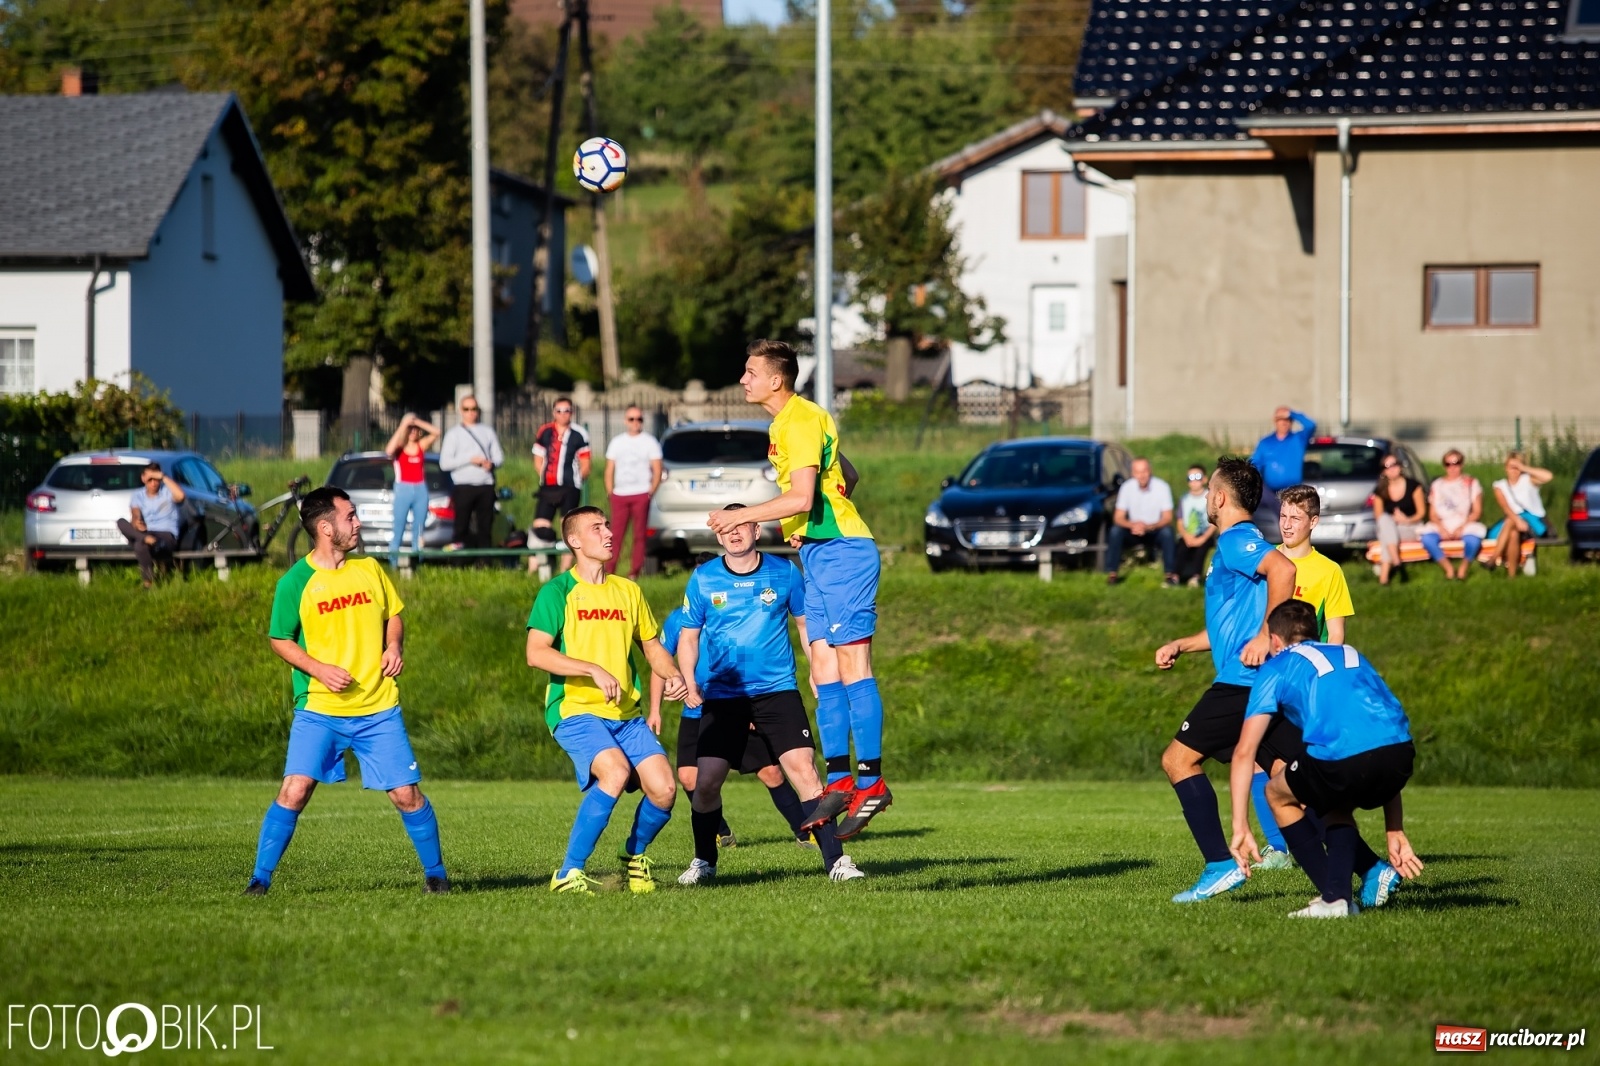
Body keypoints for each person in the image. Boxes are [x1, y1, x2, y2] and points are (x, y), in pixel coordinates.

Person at [708, 340, 889, 841]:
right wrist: (802, 521)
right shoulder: (783, 424)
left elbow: (806, 492)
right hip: (819, 550)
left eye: (749, 372)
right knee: (825, 667)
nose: (743, 380)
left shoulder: (801, 418)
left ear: (775, 380)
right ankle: (840, 779)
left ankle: (872, 781)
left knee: (854, 664)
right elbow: (844, 474)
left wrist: (744, 513)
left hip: (844, 552)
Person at [245, 487, 448, 896]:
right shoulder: (295, 582)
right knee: (295, 790)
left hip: (378, 708)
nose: (357, 523)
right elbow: (280, 639)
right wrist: (318, 669)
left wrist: (394, 646)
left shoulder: (370, 569)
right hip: (319, 709)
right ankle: (259, 881)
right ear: (325, 527)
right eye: (350, 516)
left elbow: (394, 616)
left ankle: (438, 877)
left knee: (407, 795)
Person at [676, 504, 862, 885]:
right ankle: (703, 861)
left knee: (805, 772)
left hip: (777, 692)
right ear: (718, 535)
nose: (734, 532)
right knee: (706, 781)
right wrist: (688, 679)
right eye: (726, 527)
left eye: (742, 524)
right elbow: (689, 636)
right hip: (724, 695)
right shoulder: (703, 578)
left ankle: (837, 863)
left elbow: (807, 623)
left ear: (757, 530)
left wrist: (818, 671)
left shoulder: (784, 573)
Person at [1153, 456, 1296, 904]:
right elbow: (1226, 628)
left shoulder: (1236, 540)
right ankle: (1369, 869)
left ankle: (1219, 865)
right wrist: (1183, 643)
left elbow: (1285, 571)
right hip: (1256, 679)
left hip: (1242, 682)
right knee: (1292, 778)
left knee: (1177, 761)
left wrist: (1264, 633)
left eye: (1209, 491)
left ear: (1217, 497)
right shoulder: (1235, 546)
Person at [526, 506, 687, 894]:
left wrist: (674, 674)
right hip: (575, 709)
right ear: (575, 541)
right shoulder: (557, 591)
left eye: (608, 526)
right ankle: (568, 873)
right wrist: (591, 669)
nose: (609, 533)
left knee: (665, 789)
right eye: (597, 528)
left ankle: (633, 855)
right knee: (614, 772)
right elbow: (536, 653)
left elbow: (652, 647)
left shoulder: (628, 590)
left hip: (626, 714)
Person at [1229, 600, 1424, 918]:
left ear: (1274, 641)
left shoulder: (1276, 665)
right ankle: (1344, 893)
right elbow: (1380, 733)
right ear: (1314, 632)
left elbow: (1244, 751)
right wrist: (1394, 828)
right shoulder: (1351, 653)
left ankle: (1335, 900)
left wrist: (1240, 825)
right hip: (1401, 754)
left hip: (1342, 759)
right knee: (1332, 803)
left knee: (1276, 794)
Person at [1247, 483, 1355, 870]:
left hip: (1307, 681)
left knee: (1301, 770)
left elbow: (1337, 633)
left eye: (1296, 517)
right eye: (1283, 516)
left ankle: (1330, 843)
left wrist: (1331, 680)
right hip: (1268, 675)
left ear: (1314, 521)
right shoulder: (1266, 560)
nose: (1287, 524)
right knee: (1260, 761)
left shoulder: (1329, 571)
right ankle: (1279, 849)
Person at [652, 597, 812, 851]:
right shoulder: (679, 619)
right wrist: (654, 710)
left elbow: (745, 658)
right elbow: (658, 660)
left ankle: (805, 831)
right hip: (695, 712)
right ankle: (720, 833)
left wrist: (749, 707)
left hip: (733, 705)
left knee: (770, 772)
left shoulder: (732, 613)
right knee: (689, 777)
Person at [529, 397, 592, 574]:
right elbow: (538, 457)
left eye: (567, 411)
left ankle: (565, 569)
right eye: (559, 411)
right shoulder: (545, 431)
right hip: (548, 486)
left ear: (572, 413)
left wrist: (578, 478)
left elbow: (585, 462)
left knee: (568, 527)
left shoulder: (579, 434)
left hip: (570, 487)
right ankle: (536, 568)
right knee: (540, 526)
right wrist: (543, 473)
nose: (563, 414)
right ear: (553, 412)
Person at [604, 405, 663, 580]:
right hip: (620, 494)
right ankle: (609, 570)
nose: (635, 422)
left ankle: (634, 572)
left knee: (639, 534)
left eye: (639, 419)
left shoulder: (650, 441)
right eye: (632, 419)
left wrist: (650, 492)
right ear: (625, 421)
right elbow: (609, 469)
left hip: (641, 493)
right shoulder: (617, 442)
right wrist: (610, 492)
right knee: (615, 534)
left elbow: (657, 470)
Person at [438, 396, 504, 550]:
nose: (471, 412)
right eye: (467, 409)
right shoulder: (453, 434)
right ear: (461, 411)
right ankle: (459, 562)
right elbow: (445, 463)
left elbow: (499, 457)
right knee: (461, 526)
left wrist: (491, 463)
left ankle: (484, 561)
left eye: (474, 409)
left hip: (485, 484)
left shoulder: (487, 431)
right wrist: (469, 460)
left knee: (485, 526)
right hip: (463, 486)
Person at [1105, 457, 1177, 586]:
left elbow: (1167, 517)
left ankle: (1170, 574)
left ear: (1150, 471)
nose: (1141, 476)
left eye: (1144, 471)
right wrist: (1133, 525)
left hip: (1154, 530)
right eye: (1138, 472)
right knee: (1115, 531)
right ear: (1133, 473)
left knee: (1167, 532)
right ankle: (1112, 574)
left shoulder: (1162, 487)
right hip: (1133, 530)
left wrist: (1150, 526)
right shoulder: (1126, 488)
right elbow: (1118, 517)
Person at [383, 413, 441, 570]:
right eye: (411, 429)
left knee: (419, 529)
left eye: (415, 429)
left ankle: (417, 562)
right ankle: (393, 564)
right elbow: (388, 451)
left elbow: (437, 432)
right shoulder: (399, 449)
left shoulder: (421, 446)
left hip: (420, 489)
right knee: (399, 528)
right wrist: (404, 424)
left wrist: (417, 421)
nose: (413, 431)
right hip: (403, 489)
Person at [1419, 450, 1488, 581]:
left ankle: (1463, 567)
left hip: (1464, 521)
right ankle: (1448, 568)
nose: (1452, 467)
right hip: (1443, 522)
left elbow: (1477, 512)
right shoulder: (1437, 484)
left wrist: (1462, 527)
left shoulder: (1471, 483)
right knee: (1427, 539)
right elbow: (1432, 514)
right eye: (1448, 464)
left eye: (1456, 463)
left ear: (1462, 464)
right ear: (1444, 466)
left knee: (1473, 539)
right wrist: (1441, 528)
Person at [117, 461, 186, 588]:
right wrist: (137, 523)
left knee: (139, 544)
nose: (153, 483)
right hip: (147, 533)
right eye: (150, 480)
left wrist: (163, 476)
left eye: (156, 479)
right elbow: (135, 513)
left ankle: (147, 583)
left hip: (165, 535)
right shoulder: (138, 495)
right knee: (121, 522)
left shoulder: (167, 492)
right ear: (143, 479)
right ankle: (145, 539)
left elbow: (181, 496)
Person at [1489, 452, 1554, 579]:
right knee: (1513, 532)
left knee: (1510, 522)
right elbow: (1505, 507)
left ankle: (1493, 559)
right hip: (1513, 522)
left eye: (1516, 467)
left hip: (1532, 522)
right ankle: (1511, 576)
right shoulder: (1500, 485)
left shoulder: (1529, 480)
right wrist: (1517, 520)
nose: (1514, 470)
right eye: (1511, 467)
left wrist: (1525, 468)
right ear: (1505, 468)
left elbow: (1548, 476)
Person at [1372, 455, 1426, 586]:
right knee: (1385, 521)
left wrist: (1406, 520)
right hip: (1392, 529)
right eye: (1387, 466)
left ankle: (1385, 577)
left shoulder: (1414, 486)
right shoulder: (1380, 490)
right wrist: (1393, 520)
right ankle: (1395, 566)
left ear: (1400, 466)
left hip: (1412, 527)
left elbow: (1421, 513)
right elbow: (1379, 516)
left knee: (1385, 535)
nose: (1392, 469)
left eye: (1394, 464)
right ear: (1383, 471)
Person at [1249, 407, 1317, 495]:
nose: (1284, 423)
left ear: (1291, 422)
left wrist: (1292, 414)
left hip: (1293, 492)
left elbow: (1311, 425)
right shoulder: (1265, 443)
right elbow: (1255, 463)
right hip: (1272, 493)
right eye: (1281, 419)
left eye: (1287, 419)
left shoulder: (1298, 439)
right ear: (1275, 421)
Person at [1174, 464, 1214, 587]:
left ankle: (1195, 576)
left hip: (1205, 534)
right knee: (1181, 548)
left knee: (1201, 550)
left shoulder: (1210, 497)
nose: (1194, 482)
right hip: (1188, 534)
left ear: (1204, 479)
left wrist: (1203, 538)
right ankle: (1175, 575)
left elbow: (1214, 523)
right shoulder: (1184, 499)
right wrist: (1186, 536)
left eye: (1197, 477)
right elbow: (1179, 522)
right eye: (1191, 478)